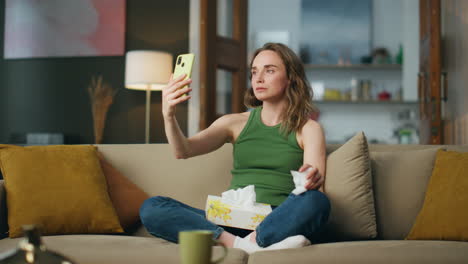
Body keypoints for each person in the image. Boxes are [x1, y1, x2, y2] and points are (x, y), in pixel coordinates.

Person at [140, 43, 331, 254]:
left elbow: (313, 190)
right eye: (254, 71)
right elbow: (183, 150)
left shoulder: (308, 129)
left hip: (278, 221)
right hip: (229, 221)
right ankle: (244, 246)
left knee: (316, 201)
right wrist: (169, 115)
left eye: (269, 70)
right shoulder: (233, 123)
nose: (258, 79)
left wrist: (309, 180)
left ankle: (255, 240)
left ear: (291, 78)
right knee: (152, 207)